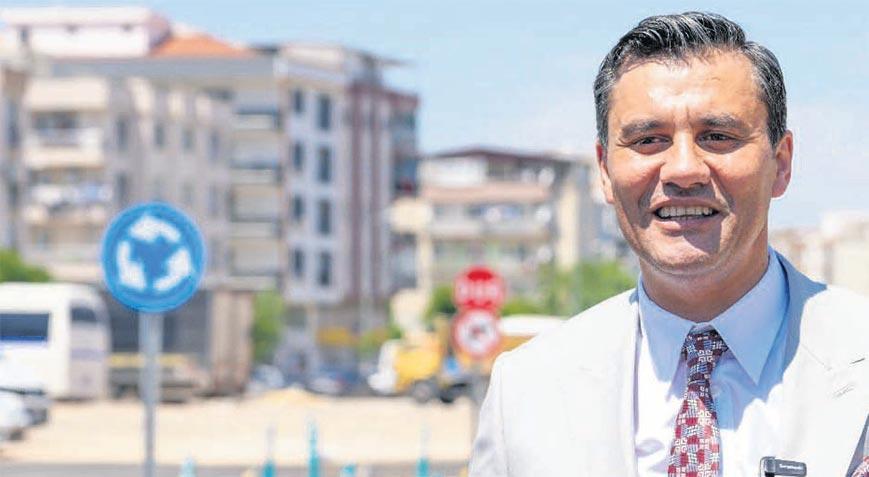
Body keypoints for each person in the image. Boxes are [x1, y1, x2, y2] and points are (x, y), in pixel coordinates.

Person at [468, 11, 869, 477]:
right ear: (604, 170)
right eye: (648, 140)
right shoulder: (525, 391)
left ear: (781, 163)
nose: (683, 170)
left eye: (717, 137)